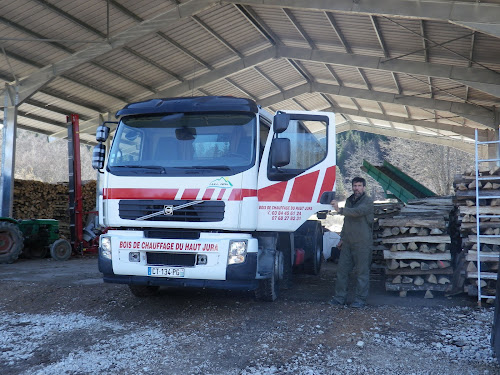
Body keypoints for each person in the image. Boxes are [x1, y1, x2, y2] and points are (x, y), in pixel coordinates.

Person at [329, 176, 374, 308]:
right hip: (348, 241)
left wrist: (340, 210)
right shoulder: (349, 200)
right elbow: (346, 221)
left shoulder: (368, 201)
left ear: (364, 187)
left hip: (362, 242)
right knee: (342, 271)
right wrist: (342, 238)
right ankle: (339, 298)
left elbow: (357, 212)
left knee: (362, 273)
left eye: (359, 186)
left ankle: (360, 300)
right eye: (355, 186)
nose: (357, 188)